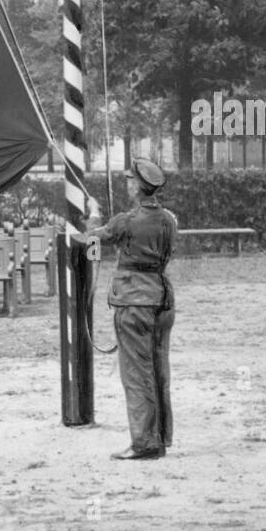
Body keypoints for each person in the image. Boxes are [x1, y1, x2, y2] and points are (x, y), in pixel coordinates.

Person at [86, 158, 178, 460]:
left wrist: (92, 215)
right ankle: (160, 438)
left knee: (137, 374)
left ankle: (144, 443)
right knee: (158, 370)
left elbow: (93, 238)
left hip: (135, 302)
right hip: (162, 301)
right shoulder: (169, 219)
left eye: (129, 181)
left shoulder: (126, 221)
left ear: (138, 187)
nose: (126, 185)